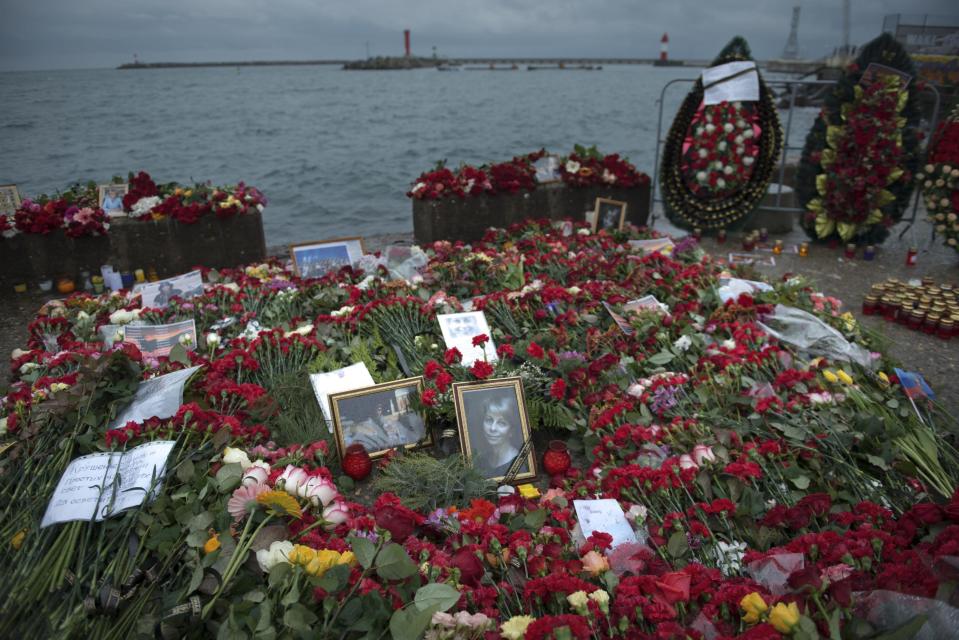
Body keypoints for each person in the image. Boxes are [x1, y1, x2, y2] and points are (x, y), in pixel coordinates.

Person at [469, 389, 527, 479]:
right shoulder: (481, 460)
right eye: (489, 420)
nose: (492, 428)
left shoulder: (519, 465)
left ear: (511, 431)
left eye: (502, 423)